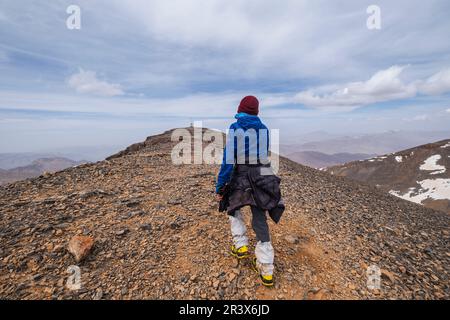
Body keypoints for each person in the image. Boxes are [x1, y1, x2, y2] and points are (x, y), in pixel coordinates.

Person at [216, 95, 283, 287]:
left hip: (241, 173)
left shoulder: (235, 128)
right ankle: (267, 268)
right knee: (259, 214)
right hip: (261, 172)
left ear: (240, 109)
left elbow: (229, 159)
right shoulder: (264, 129)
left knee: (232, 206)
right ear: (257, 111)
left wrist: (221, 184)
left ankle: (241, 245)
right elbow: (264, 154)